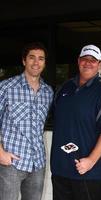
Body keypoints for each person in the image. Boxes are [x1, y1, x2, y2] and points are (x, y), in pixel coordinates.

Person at [50, 44, 101, 200]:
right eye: (84, 59)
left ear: (99, 65)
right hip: (61, 169)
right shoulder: (64, 88)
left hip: (88, 172)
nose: (88, 63)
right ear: (78, 61)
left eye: (93, 60)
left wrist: (91, 160)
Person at [0, 42, 53, 200]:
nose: (36, 62)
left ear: (44, 63)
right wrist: (0, 152)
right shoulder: (6, 87)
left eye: (41, 58)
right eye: (32, 58)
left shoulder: (47, 92)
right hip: (11, 162)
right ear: (24, 61)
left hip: (37, 162)